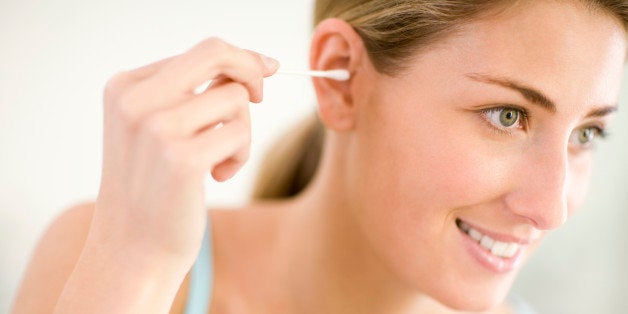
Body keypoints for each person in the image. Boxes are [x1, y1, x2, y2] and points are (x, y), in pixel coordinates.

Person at [11, 0, 627, 313]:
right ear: (341, 80)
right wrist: (134, 268)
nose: (552, 209)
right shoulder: (106, 263)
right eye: (508, 116)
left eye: (586, 135)